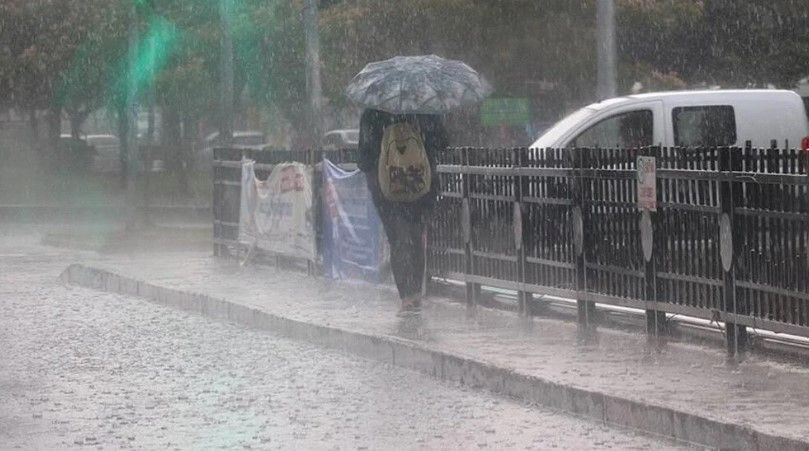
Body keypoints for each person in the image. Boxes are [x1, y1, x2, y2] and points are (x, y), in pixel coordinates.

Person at [357, 108, 448, 315]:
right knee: (416, 236)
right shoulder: (425, 109)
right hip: (421, 185)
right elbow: (443, 142)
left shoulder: (373, 112)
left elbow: (363, 160)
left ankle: (406, 297)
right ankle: (416, 293)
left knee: (397, 239)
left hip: (386, 189)